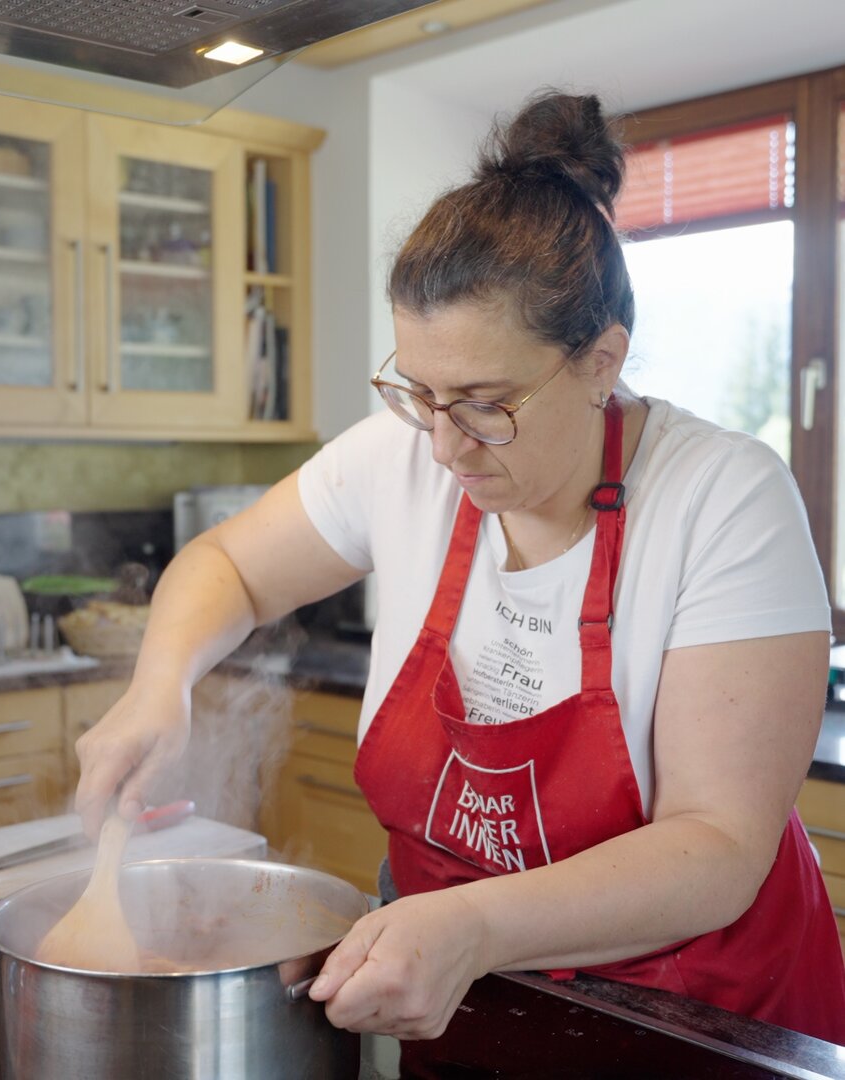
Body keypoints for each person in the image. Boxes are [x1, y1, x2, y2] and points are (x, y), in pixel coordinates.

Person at [75, 89, 845, 1047]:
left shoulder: (724, 499)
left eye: (485, 402)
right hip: (462, 1011)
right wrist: (162, 688)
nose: (444, 447)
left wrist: (476, 924)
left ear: (602, 361)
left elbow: (718, 847)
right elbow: (229, 563)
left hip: (690, 1024)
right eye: (419, 392)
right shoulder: (402, 457)